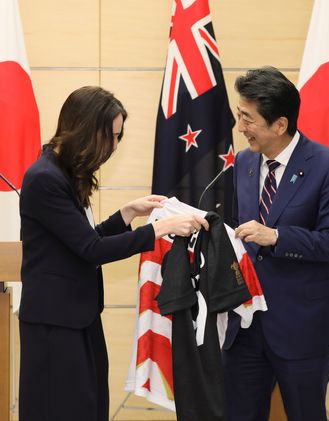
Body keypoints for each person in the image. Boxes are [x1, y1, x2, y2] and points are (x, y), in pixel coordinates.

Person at [18, 86, 209, 421]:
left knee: (89, 408)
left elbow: (82, 241)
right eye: (112, 136)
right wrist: (158, 230)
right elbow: (91, 250)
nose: (114, 147)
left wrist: (127, 214)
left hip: (78, 317)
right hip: (54, 324)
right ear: (85, 128)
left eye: (119, 137)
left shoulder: (64, 172)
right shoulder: (44, 178)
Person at [222, 67, 329, 421]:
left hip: (302, 329)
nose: (240, 128)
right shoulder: (244, 163)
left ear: (280, 125)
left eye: (248, 119)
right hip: (245, 329)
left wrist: (277, 236)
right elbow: (237, 230)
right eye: (239, 116)